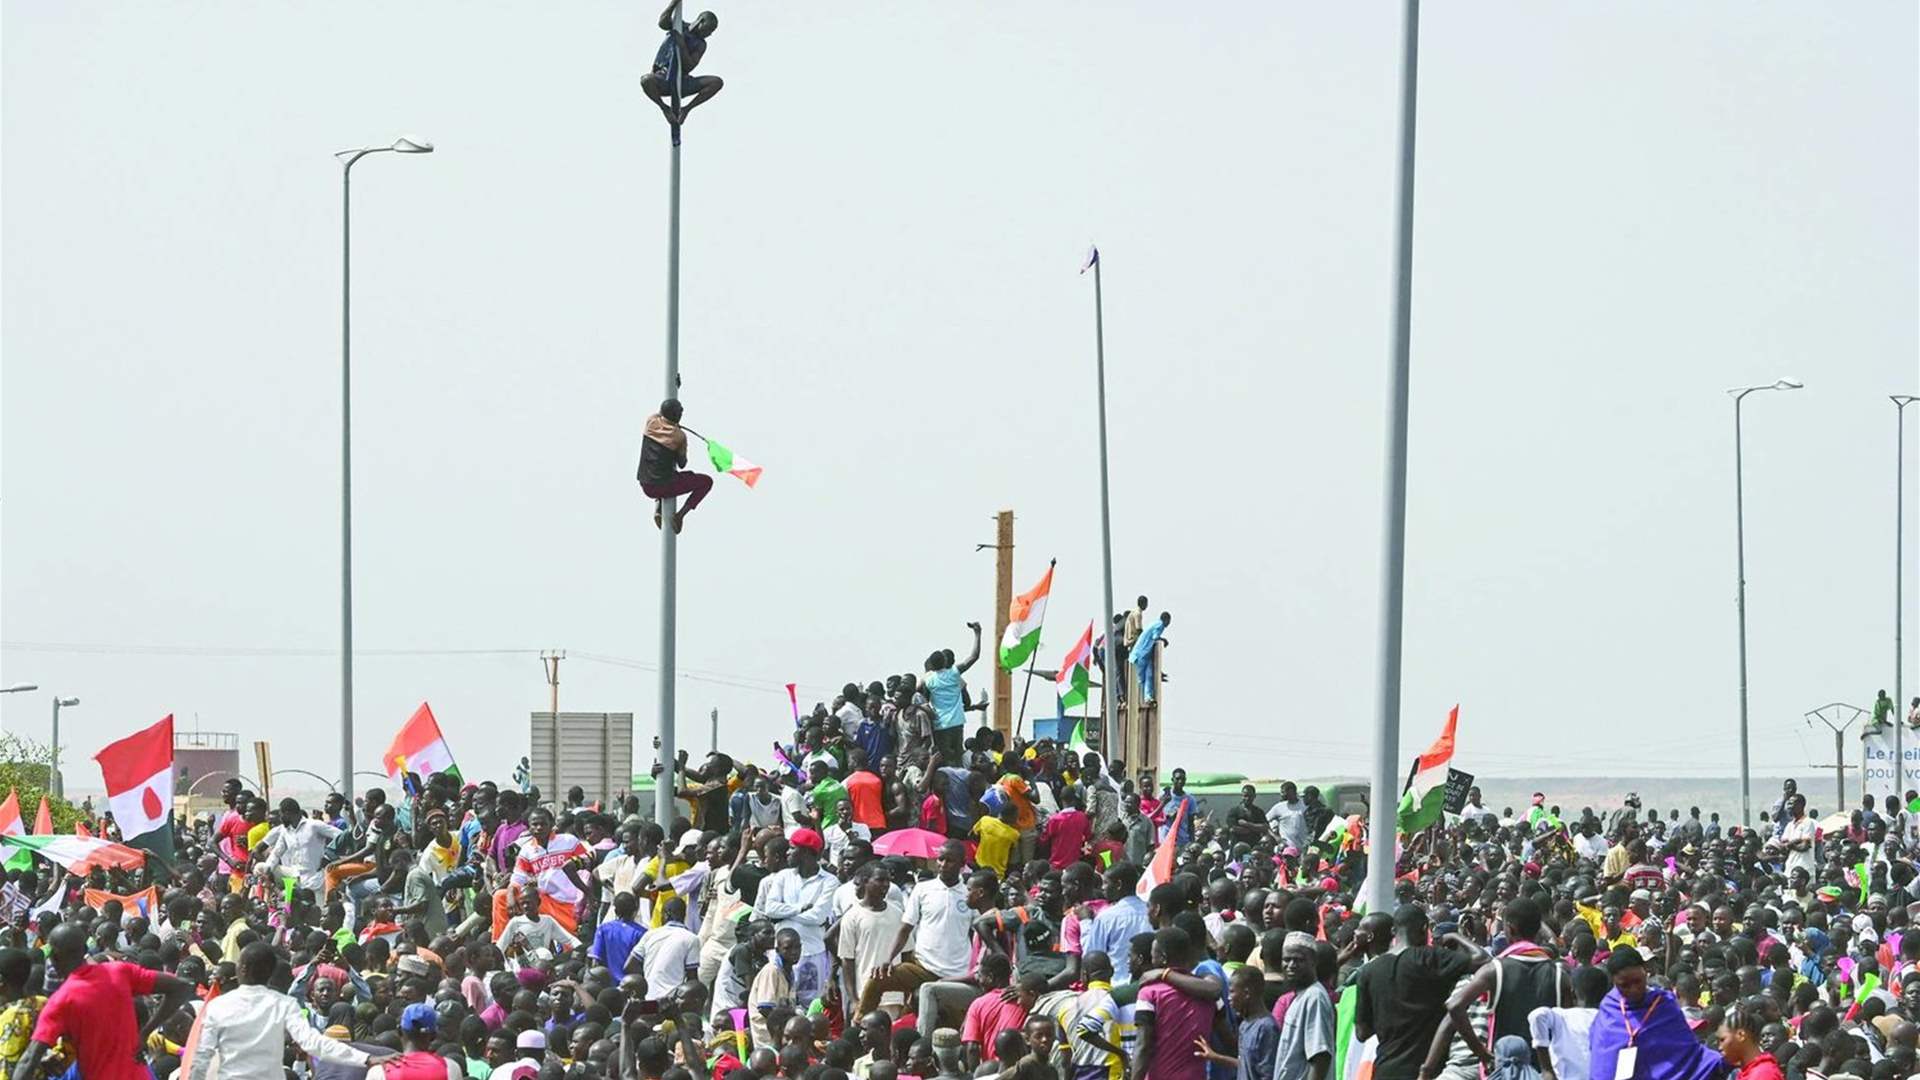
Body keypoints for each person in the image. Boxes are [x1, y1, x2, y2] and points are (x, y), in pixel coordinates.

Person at [14, 924, 196, 1080]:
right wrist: (145, 1032)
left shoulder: (60, 1002)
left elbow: (29, 1060)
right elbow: (182, 987)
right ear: (85, 951)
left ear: (52, 957)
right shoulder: (120, 972)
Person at [189, 941, 384, 1080]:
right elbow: (314, 1043)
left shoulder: (218, 1005)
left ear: (242, 969)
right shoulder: (283, 1004)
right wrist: (366, 1057)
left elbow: (202, 1055)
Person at [1354, 905, 1483, 1080]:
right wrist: (1455, 936)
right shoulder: (1431, 958)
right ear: (1424, 930)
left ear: (1394, 930)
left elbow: (1362, 1033)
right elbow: (1482, 959)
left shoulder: (1368, 971)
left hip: (1385, 1070)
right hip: (1426, 1071)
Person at [1585, 949, 1722, 1080]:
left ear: (1645, 972)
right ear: (1614, 982)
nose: (1633, 989)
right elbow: (1601, 1058)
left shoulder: (1664, 1004)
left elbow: (1688, 1052)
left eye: (1637, 981)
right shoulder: (1609, 1008)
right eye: (1624, 985)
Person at [636, 398, 714, 532]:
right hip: (662, 485)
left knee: (665, 470)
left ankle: (659, 507)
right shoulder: (679, 436)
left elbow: (659, 413)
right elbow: (682, 463)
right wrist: (680, 447)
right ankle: (680, 515)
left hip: (645, 483)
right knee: (706, 481)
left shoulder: (651, 422)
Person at [640, 2, 724, 126]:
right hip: (663, 78)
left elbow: (690, 66)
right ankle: (665, 109)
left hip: (683, 81)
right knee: (646, 80)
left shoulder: (701, 44)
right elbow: (662, 23)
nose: (710, 34)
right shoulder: (679, 25)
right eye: (709, 29)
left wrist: (681, 45)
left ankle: (686, 109)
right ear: (701, 21)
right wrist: (674, 3)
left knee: (716, 82)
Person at [1528, 965, 1608, 1080]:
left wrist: (1547, 1069)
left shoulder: (1561, 1016)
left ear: (1573, 993)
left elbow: (1537, 1015)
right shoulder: (1610, 1019)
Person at [926, 625, 984, 762]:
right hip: (957, 724)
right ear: (946, 661)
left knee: (944, 759)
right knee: (958, 758)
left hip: (940, 725)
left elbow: (917, 692)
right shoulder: (954, 673)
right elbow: (974, 657)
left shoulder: (928, 679)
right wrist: (977, 633)